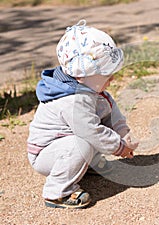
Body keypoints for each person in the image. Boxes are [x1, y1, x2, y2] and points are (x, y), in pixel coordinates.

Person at [27, 20, 139, 209]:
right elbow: (91, 131)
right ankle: (57, 192)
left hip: (63, 146)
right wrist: (119, 147)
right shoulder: (72, 100)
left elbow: (111, 110)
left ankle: (87, 165)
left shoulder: (90, 89)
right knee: (83, 141)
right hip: (47, 154)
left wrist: (122, 132)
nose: (112, 78)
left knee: (88, 136)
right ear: (81, 74)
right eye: (106, 74)